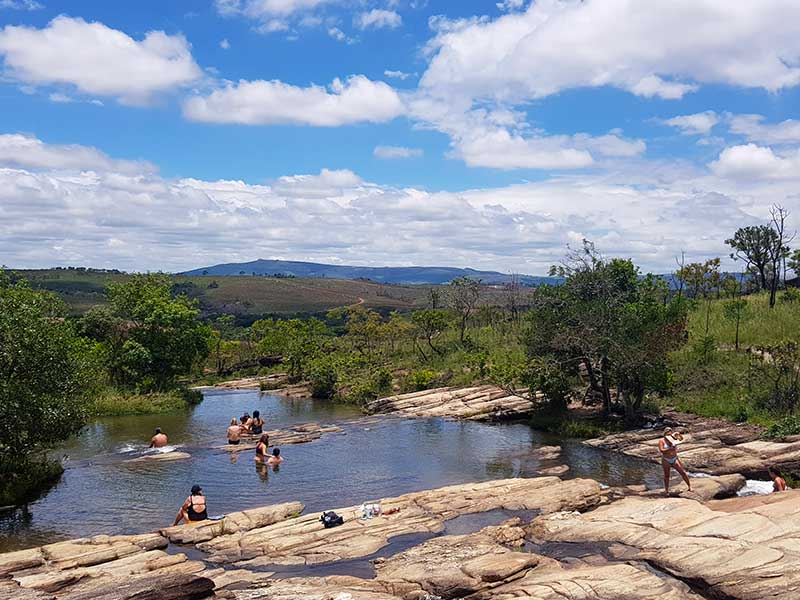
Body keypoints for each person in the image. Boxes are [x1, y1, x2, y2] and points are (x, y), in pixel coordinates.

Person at [659, 427, 692, 495]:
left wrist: (679, 435)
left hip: (674, 458)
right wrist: (669, 449)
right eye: (667, 434)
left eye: (670, 434)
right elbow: (661, 450)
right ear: (664, 434)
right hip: (666, 460)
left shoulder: (673, 439)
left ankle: (689, 487)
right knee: (667, 476)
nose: (669, 435)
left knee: (683, 472)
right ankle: (666, 491)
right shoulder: (662, 441)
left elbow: (681, 439)